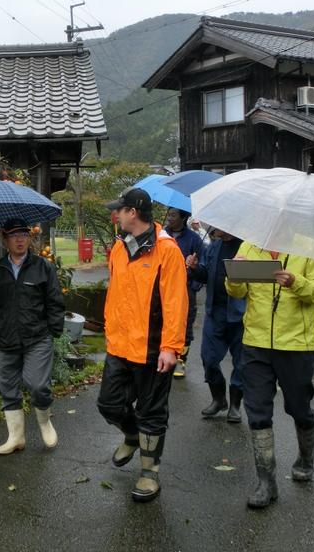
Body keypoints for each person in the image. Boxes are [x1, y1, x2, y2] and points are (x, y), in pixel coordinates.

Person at [97, 188, 188, 502]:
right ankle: (132, 435)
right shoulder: (120, 248)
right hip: (120, 346)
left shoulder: (167, 250)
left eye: (119, 210)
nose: (116, 215)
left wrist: (171, 346)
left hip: (152, 348)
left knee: (151, 411)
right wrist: (110, 331)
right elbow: (115, 295)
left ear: (132, 212)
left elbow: (176, 302)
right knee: (108, 404)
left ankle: (149, 473)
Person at [225, 243, 314, 509]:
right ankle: (266, 482)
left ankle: (306, 459)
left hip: (296, 344)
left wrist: (296, 282)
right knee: (257, 410)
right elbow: (236, 292)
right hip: (255, 343)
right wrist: (234, 272)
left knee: (299, 407)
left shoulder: (308, 246)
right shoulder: (249, 246)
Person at [0, 218, 64, 454]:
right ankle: (16, 437)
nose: (20, 239)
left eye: (24, 234)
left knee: (37, 385)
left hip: (37, 337)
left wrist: (54, 330)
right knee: (8, 389)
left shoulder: (42, 266)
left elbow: (55, 300)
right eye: (14, 235)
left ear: (29, 238)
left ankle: (45, 422)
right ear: (5, 240)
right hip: (7, 338)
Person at [186, 228, 245, 422]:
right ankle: (219, 399)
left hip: (241, 314)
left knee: (241, 362)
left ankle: (235, 406)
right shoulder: (213, 247)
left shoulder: (246, 247)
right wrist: (194, 268)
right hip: (215, 312)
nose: (212, 226)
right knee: (208, 358)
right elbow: (205, 275)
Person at [164, 206, 204, 379]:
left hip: (185, 289)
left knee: (185, 325)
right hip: (163, 288)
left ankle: (180, 359)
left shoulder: (194, 239)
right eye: (169, 215)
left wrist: (193, 285)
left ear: (183, 217)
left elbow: (202, 267)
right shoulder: (161, 236)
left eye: (173, 215)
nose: (169, 219)